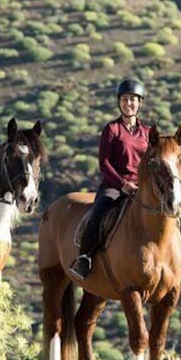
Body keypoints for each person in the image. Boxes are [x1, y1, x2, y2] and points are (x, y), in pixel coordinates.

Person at [67, 78, 151, 281]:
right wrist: (123, 184)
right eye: (124, 99)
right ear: (119, 102)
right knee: (98, 214)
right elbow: (104, 163)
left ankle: (178, 262)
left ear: (140, 103)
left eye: (132, 99)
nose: (128, 103)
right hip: (115, 186)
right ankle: (84, 258)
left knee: (170, 214)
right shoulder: (112, 129)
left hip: (142, 187)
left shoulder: (148, 132)